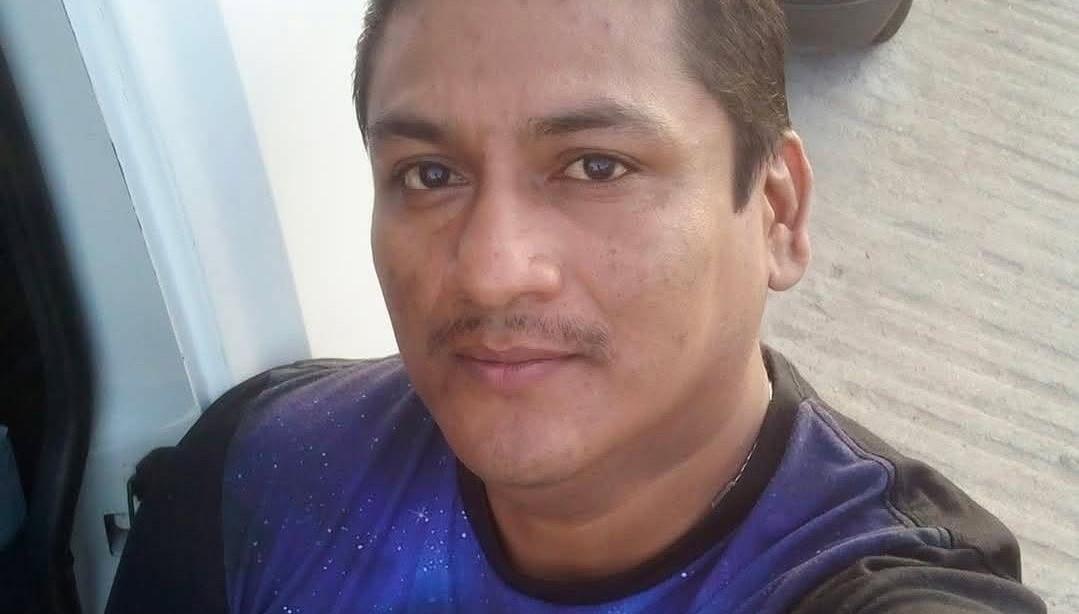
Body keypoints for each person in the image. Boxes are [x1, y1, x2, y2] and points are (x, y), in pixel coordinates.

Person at [105, 1, 1046, 612]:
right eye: (429, 174)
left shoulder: (864, 580)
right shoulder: (258, 471)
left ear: (776, 210)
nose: (489, 271)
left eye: (597, 166)